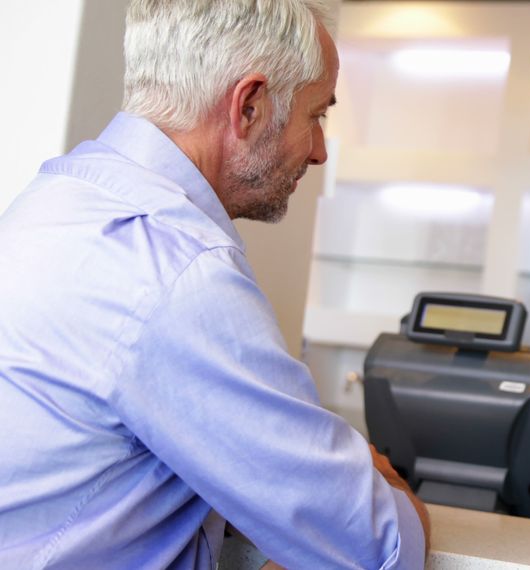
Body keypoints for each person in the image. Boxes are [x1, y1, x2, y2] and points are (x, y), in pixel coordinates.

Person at [0, 1, 429, 568]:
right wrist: (381, 479)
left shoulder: (52, 200)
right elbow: (375, 542)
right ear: (249, 106)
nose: (320, 151)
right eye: (316, 116)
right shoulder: (180, 272)